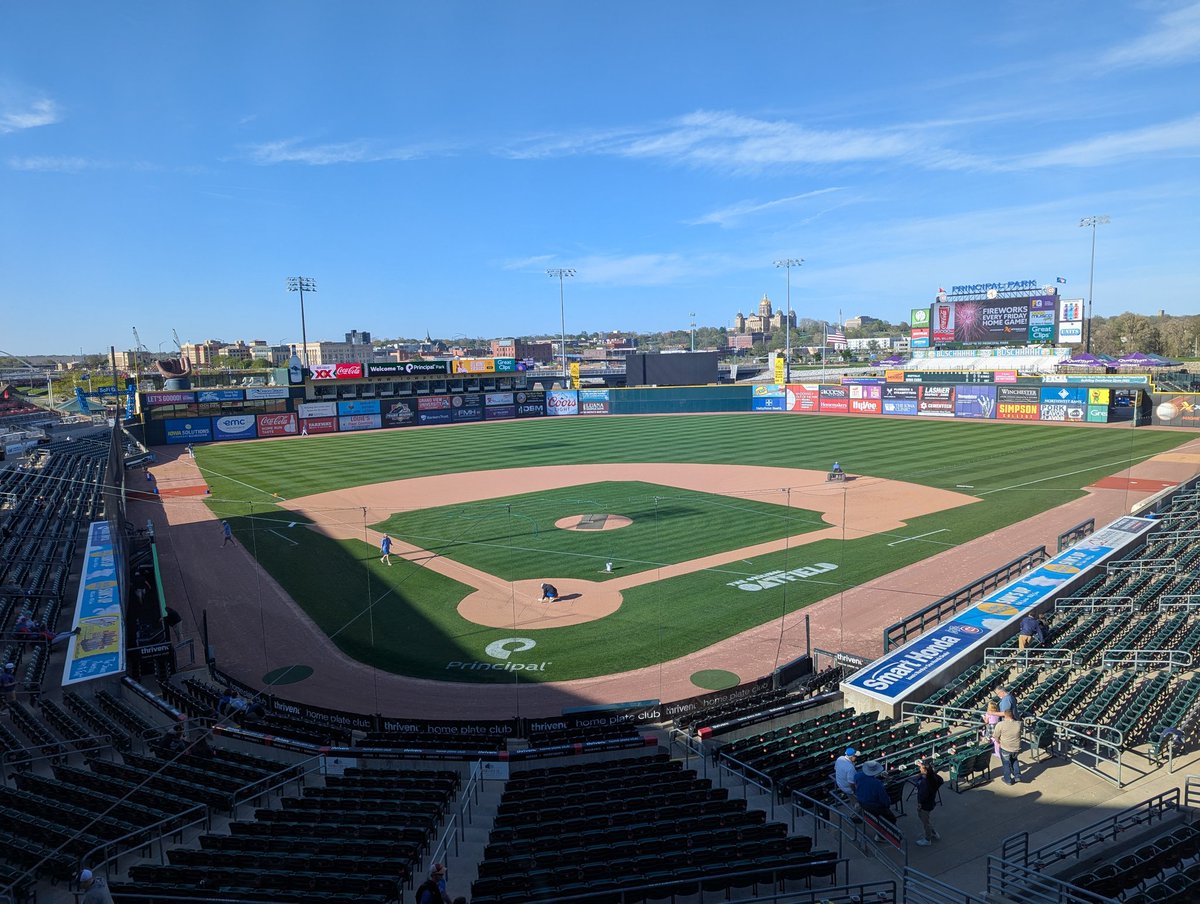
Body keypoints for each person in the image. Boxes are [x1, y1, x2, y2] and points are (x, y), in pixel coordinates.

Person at [855, 760, 896, 829]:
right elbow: (884, 800)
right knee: (892, 819)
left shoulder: (858, 775)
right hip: (873, 806)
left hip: (861, 802)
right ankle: (882, 836)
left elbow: (856, 785)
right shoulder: (877, 784)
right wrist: (887, 805)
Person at [914, 759, 944, 846]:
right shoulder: (933, 778)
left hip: (925, 804)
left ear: (925, 770)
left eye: (921, 769)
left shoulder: (925, 782)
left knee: (925, 822)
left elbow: (922, 796)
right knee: (926, 820)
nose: (920, 769)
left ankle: (928, 839)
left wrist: (920, 804)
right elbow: (940, 780)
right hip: (931, 801)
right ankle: (933, 832)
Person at [993, 710, 1024, 785]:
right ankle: (1017, 776)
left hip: (1005, 747)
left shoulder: (1000, 724)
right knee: (1014, 760)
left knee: (1006, 764)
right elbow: (1021, 732)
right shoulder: (1019, 724)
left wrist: (999, 742)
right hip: (1016, 747)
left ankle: (1008, 779)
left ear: (1005, 715)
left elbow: (996, 736)